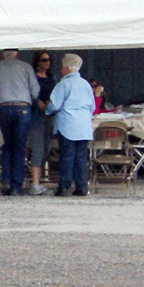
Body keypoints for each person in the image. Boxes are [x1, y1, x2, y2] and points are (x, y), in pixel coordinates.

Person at [0, 48, 37, 196]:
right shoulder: (26, 67)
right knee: (19, 147)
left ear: (4, 54)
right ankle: (16, 185)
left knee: (8, 145)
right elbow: (35, 91)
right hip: (22, 107)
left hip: (3, 108)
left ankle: (6, 181)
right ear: (17, 54)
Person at [46, 53, 95, 196]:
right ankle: (81, 186)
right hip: (84, 124)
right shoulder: (86, 84)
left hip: (68, 123)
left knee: (67, 156)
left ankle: (64, 186)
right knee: (81, 157)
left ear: (67, 68)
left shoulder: (64, 84)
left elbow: (55, 104)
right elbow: (92, 106)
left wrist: (47, 110)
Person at [25, 50, 57, 194]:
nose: (47, 63)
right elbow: (30, 93)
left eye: (49, 60)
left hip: (49, 115)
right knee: (37, 147)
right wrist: (38, 103)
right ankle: (35, 182)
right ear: (38, 62)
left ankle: (39, 180)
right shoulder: (33, 77)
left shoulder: (52, 78)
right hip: (36, 115)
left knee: (46, 147)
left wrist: (50, 103)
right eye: (44, 60)